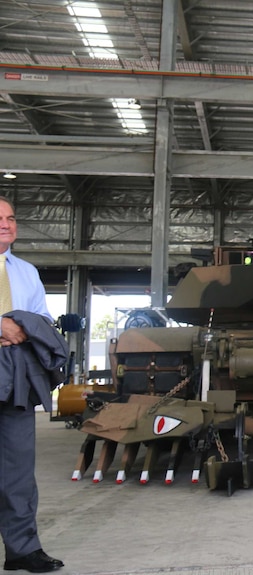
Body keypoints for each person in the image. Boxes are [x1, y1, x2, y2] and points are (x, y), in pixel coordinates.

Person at [0, 196, 68, 573]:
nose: (6, 224)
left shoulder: (26, 271)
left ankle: (22, 548)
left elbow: (40, 318)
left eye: (10, 218)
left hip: (16, 373)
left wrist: (20, 327)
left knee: (18, 468)